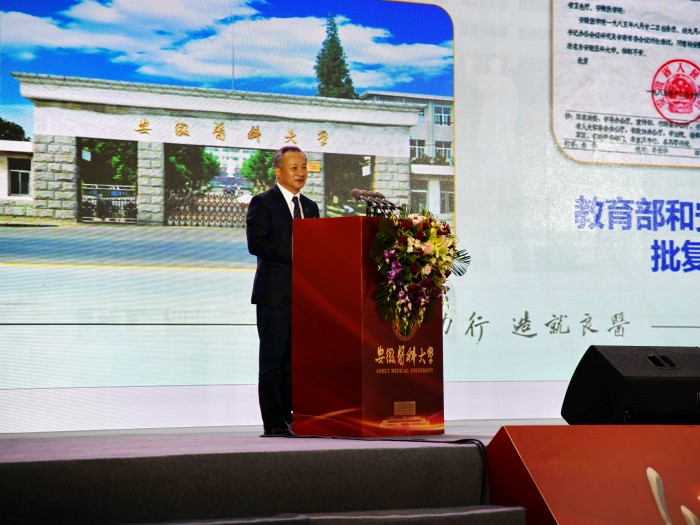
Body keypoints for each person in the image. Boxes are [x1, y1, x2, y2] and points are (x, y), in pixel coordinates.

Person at [246, 145, 320, 436]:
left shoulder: (311, 207)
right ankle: (274, 423)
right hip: (274, 296)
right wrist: (296, 251)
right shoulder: (262, 202)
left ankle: (296, 417)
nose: (301, 173)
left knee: (296, 361)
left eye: (304, 167)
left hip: (305, 297)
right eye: (294, 167)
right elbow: (256, 244)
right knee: (273, 361)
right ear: (278, 172)